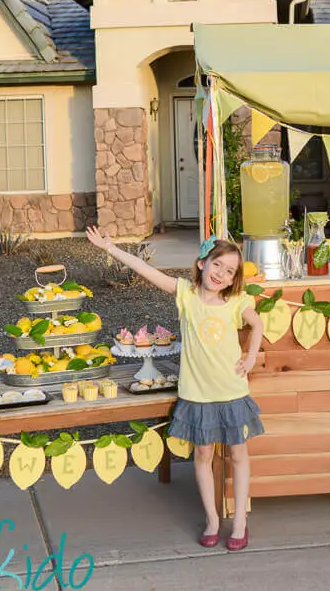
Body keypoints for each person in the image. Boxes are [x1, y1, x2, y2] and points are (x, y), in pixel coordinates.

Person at [86, 226, 264, 552]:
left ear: (234, 278)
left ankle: (239, 521)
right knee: (203, 454)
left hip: (231, 392)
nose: (221, 274)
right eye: (217, 265)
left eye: (229, 271)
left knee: (238, 454)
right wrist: (110, 248)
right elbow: (146, 270)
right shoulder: (186, 294)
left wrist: (250, 357)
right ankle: (212, 519)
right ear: (202, 264)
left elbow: (257, 324)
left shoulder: (236, 301)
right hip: (197, 395)